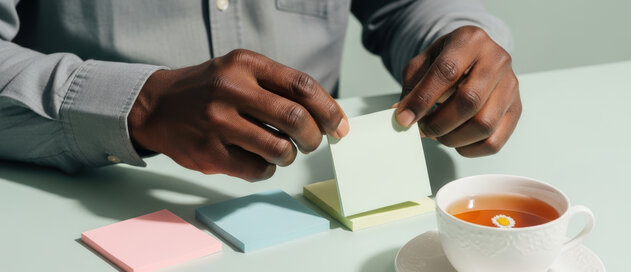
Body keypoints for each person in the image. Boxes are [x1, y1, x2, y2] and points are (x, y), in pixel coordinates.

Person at [0, 0, 521, 181]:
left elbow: (411, 7)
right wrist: (142, 103)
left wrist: (460, 44)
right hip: (95, 189)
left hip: (316, 185)